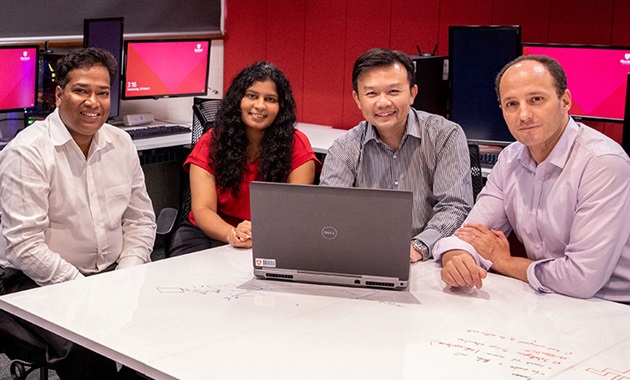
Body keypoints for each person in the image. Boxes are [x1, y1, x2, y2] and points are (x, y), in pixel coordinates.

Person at [0, 48, 156, 378]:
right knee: (87, 346)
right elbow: (25, 246)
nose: (93, 102)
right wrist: (86, 291)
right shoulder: (27, 152)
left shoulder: (122, 143)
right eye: (81, 90)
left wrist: (126, 275)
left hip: (113, 274)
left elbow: (139, 219)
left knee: (162, 336)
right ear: (59, 94)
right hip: (37, 280)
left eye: (102, 93)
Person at [433, 55, 630, 303]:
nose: (524, 115)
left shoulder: (602, 163)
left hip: (611, 308)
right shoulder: (510, 158)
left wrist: (504, 261)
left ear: (565, 101)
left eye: (536, 100)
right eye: (511, 104)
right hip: (547, 298)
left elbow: (582, 279)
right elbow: (471, 233)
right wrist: (457, 256)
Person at [319, 48, 473, 263]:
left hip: (430, 260)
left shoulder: (445, 135)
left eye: (393, 92)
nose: (383, 103)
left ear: (412, 93)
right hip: (364, 259)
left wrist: (418, 247)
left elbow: (455, 207)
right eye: (371, 93)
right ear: (357, 99)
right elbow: (332, 212)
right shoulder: (344, 148)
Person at [170, 62, 319, 256]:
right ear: (238, 100)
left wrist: (258, 234)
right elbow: (203, 210)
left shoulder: (297, 145)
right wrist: (232, 234)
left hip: (272, 233)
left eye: (270, 99)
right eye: (252, 96)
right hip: (209, 233)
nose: (260, 105)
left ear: (281, 107)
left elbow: (293, 211)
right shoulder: (211, 142)